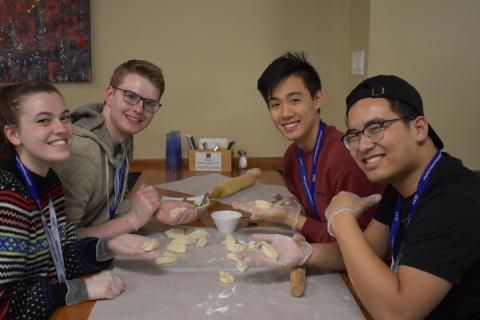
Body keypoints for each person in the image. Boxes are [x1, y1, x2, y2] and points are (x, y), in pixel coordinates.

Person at [242, 75, 480, 319]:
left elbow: (396, 313)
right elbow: (371, 250)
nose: (363, 146)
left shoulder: (454, 199)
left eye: (375, 129)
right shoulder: (401, 185)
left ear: (419, 128)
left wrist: (342, 219)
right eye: (354, 136)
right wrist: (304, 252)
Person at [0, 82, 162, 320]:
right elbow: (5, 304)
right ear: (14, 134)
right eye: (44, 120)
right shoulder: (7, 196)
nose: (61, 128)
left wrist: (109, 247)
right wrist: (83, 289)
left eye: (64, 117)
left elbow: (60, 256)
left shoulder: (50, 179)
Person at [233, 52, 384, 243]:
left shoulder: (345, 156)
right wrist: (294, 208)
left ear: (317, 99)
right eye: (275, 104)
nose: (285, 113)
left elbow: (358, 246)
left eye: (295, 100)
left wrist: (291, 219)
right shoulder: (291, 157)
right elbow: (316, 216)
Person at [54, 60, 197, 239]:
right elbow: (61, 242)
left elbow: (113, 205)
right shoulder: (82, 152)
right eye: (130, 96)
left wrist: (156, 209)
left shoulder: (124, 139)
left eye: (149, 103)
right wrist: (133, 219)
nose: (138, 109)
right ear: (109, 94)